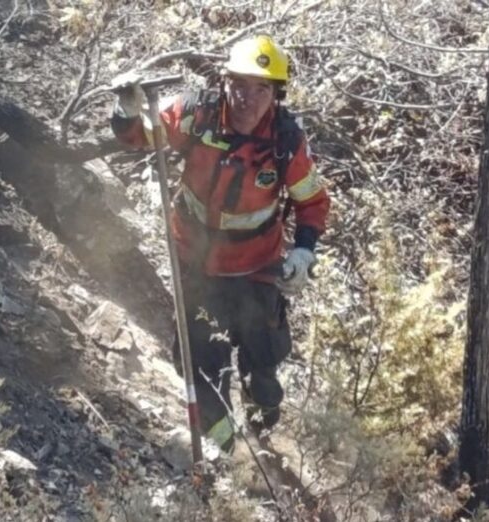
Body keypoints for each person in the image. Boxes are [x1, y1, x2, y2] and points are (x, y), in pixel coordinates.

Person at [110, 35, 330, 452]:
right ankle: (224, 453)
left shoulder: (285, 141)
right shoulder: (198, 114)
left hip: (257, 267)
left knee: (263, 363)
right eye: (240, 85)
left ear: (276, 95)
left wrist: (304, 250)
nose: (248, 99)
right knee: (201, 366)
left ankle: (266, 442)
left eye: (261, 89)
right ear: (224, 82)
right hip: (197, 263)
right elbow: (143, 136)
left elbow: (312, 201)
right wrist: (127, 110)